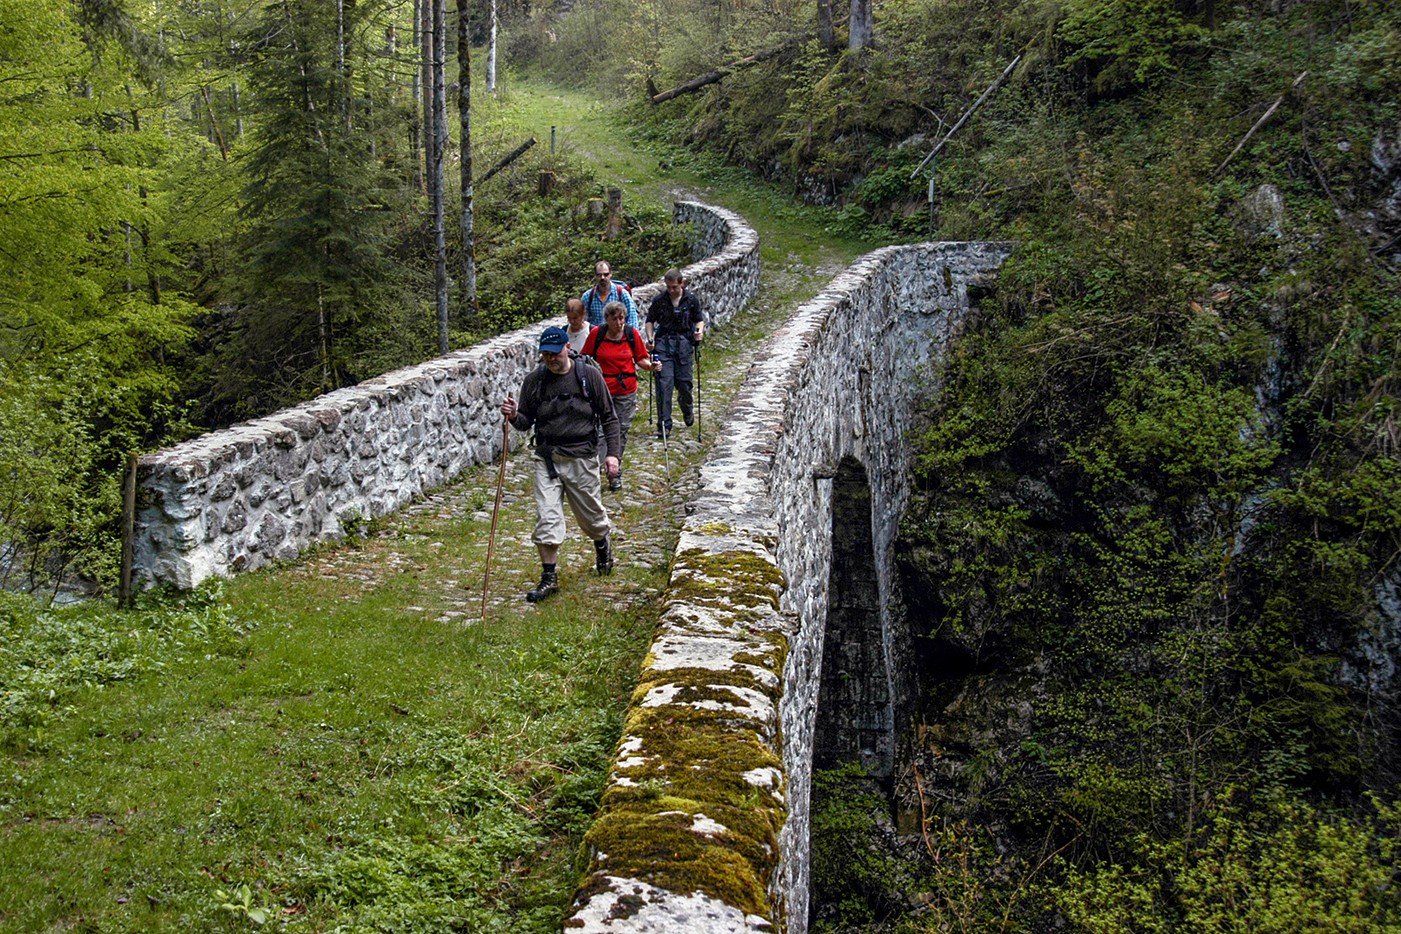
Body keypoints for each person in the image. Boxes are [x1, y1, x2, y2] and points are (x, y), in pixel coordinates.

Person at [500, 326, 620, 602]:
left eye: (555, 353)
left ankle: (602, 544)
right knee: (547, 518)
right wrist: (513, 414)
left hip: (582, 457)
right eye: (545, 355)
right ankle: (549, 577)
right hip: (548, 458)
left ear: (567, 347)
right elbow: (525, 422)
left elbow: (609, 418)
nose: (551, 359)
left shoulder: (589, 376)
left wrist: (612, 454)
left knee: (591, 518)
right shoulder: (535, 381)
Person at [583, 301, 659, 491]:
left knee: (621, 430)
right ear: (606, 319)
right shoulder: (597, 335)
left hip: (626, 390)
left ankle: (614, 471)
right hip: (602, 390)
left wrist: (651, 366)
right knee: (600, 430)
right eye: (615, 318)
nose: (619, 322)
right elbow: (585, 359)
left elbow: (640, 358)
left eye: (622, 318)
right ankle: (598, 470)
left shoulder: (631, 334)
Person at [644, 269, 706, 439]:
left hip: (684, 345)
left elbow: (699, 319)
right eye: (669, 287)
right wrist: (650, 338)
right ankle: (664, 425)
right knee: (664, 384)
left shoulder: (691, 300)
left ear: (681, 284)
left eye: (674, 287)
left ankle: (687, 408)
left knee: (685, 385)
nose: (671, 290)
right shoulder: (659, 301)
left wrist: (699, 332)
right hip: (664, 344)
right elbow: (650, 320)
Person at [581, 260, 639, 330]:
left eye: (606, 274)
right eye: (599, 275)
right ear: (595, 276)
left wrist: (631, 337)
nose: (602, 277)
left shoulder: (622, 294)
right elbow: (582, 321)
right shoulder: (588, 297)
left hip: (618, 337)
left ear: (611, 274)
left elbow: (632, 319)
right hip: (596, 338)